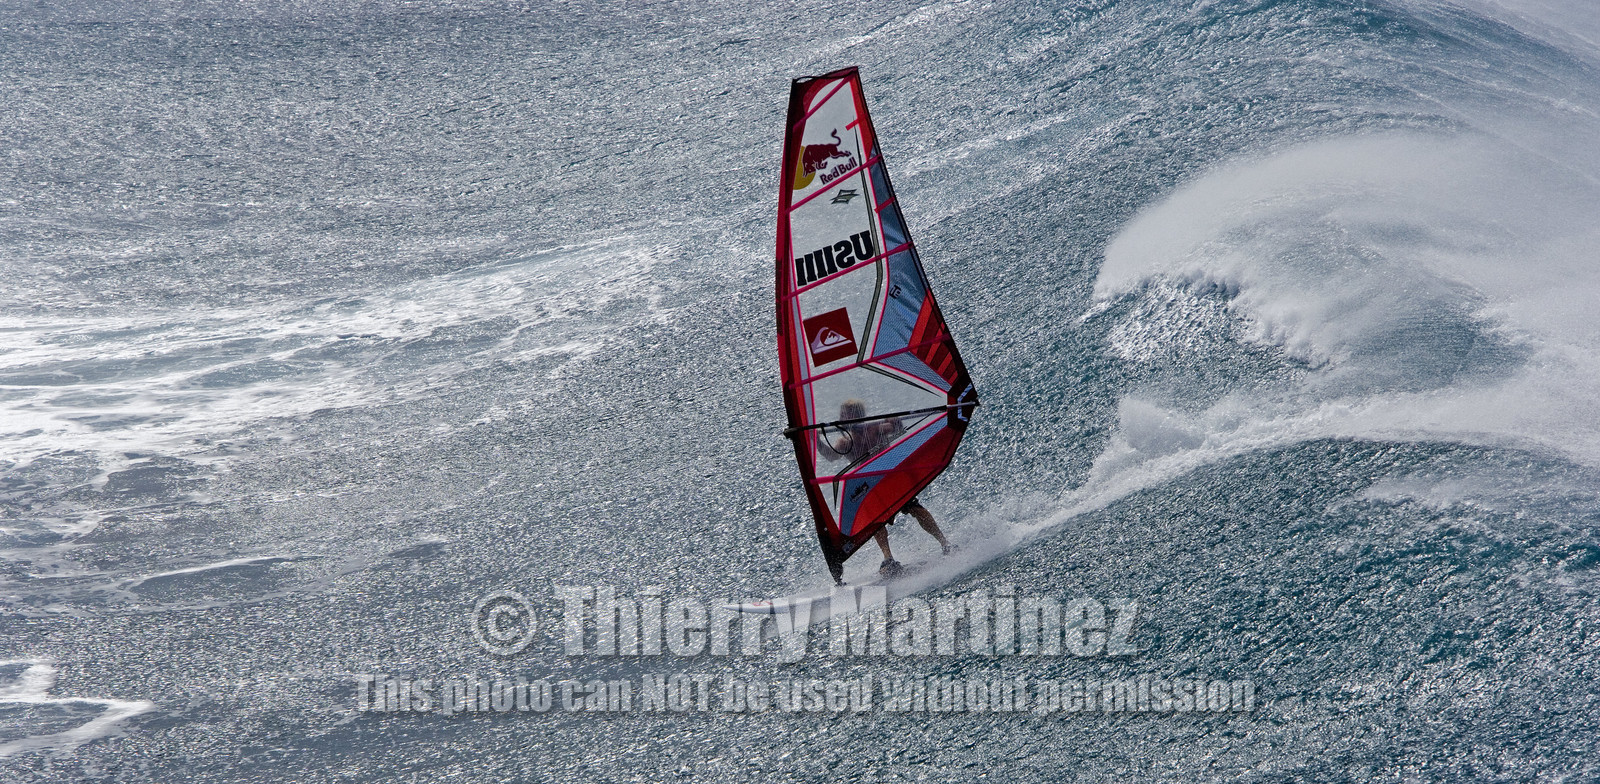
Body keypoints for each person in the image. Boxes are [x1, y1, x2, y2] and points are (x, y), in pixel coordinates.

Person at [818, 398, 953, 578]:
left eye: (847, 416)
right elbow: (831, 456)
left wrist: (892, 422)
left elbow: (896, 427)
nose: (842, 419)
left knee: (915, 508)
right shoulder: (845, 442)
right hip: (869, 487)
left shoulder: (873, 429)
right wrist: (816, 441)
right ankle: (889, 558)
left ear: (858, 416)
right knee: (876, 522)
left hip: (890, 479)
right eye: (842, 416)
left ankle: (945, 544)